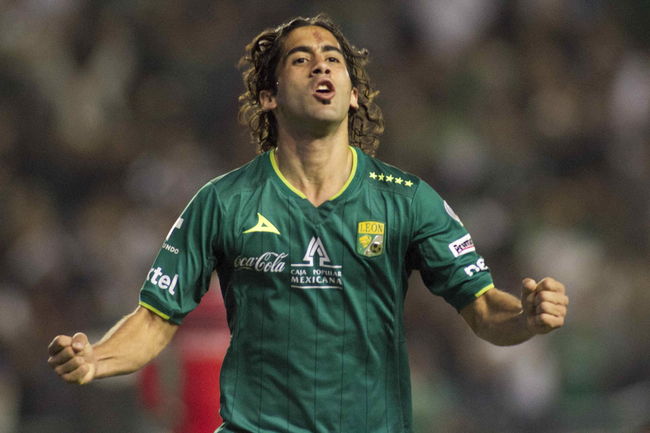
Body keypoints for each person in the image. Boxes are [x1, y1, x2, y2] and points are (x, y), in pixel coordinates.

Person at [48, 14, 569, 433]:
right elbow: (155, 318)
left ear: (353, 93)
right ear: (269, 95)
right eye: (301, 59)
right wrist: (96, 359)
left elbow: (482, 307)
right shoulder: (223, 202)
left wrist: (526, 318)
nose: (321, 65)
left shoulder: (408, 200)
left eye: (333, 59)